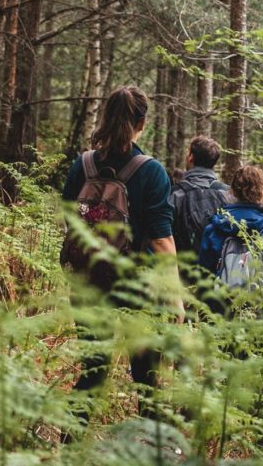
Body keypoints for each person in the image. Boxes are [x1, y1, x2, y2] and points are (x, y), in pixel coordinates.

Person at [60, 86, 180, 409]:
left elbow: (71, 221)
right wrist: (176, 297)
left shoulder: (82, 165)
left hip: (87, 282)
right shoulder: (151, 172)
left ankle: (69, 453)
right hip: (137, 288)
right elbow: (161, 239)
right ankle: (147, 454)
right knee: (147, 379)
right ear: (142, 122)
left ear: (105, 117)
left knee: (93, 372)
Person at [197, 165, 263, 318]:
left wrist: (202, 314)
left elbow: (204, 277)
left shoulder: (216, 226)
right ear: (262, 191)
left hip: (222, 315)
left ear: (233, 191)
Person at [169, 136, 231, 254]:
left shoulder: (176, 193)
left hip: (181, 267)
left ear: (191, 157)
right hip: (219, 269)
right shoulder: (227, 194)